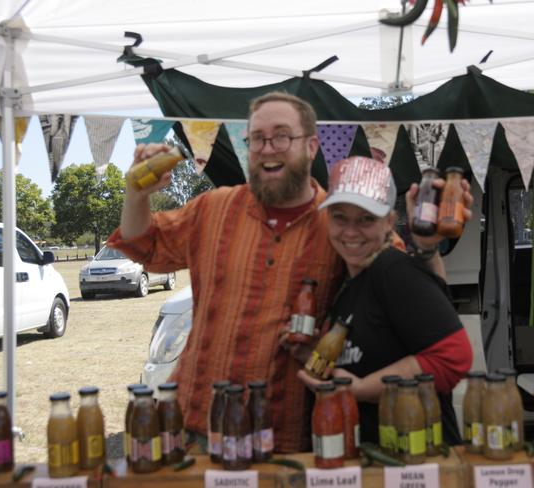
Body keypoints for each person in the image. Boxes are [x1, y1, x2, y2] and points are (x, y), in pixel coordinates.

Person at [107, 92, 472, 452]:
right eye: (256, 138)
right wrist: (136, 194)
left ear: (312, 147)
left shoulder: (340, 223)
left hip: (283, 437)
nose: (268, 147)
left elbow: (414, 286)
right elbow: (147, 246)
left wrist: (428, 245)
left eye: (282, 135)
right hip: (194, 423)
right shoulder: (211, 209)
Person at [297, 156, 473, 445]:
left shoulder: (391, 270)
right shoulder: (350, 283)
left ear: (389, 221)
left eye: (366, 218)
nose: (351, 231)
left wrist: (360, 389)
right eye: (340, 217)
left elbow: (454, 358)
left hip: (418, 464)